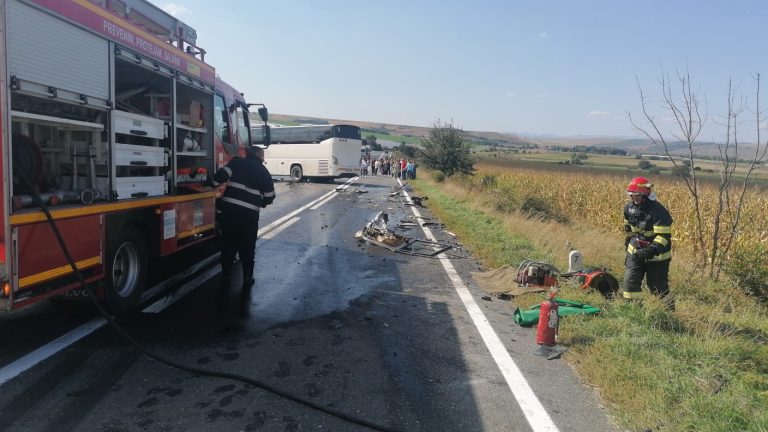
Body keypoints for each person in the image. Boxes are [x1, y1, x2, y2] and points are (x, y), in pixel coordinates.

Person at [212, 146, 276, 295]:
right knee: (248, 247)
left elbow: (220, 176)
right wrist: (260, 203)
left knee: (228, 245)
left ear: (248, 154)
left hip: (229, 213)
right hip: (249, 217)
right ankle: (247, 278)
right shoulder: (264, 172)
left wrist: (212, 184)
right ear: (260, 156)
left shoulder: (236, 163)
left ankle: (226, 277)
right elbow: (270, 196)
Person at [622, 176, 674, 308]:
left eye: (638, 195)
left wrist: (650, 250)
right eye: (632, 195)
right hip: (636, 252)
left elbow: (663, 237)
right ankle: (633, 309)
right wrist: (628, 244)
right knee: (630, 281)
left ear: (646, 195)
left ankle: (668, 311)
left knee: (656, 286)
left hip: (657, 256)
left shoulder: (659, 211)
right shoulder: (628, 208)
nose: (635, 198)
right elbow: (629, 229)